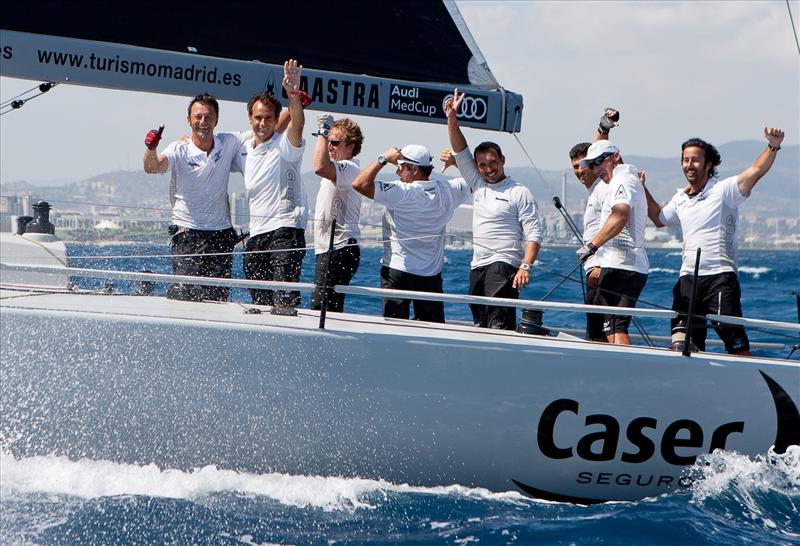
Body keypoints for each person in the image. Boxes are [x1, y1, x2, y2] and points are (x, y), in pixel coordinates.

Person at [641, 128, 785, 355]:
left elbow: (756, 171)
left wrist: (773, 145)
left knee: (736, 345)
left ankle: (751, 384)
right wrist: (642, 188)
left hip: (719, 278)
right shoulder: (680, 198)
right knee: (682, 344)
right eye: (686, 160)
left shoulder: (723, 191)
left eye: (696, 160)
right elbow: (659, 219)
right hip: (688, 279)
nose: (690, 165)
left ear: (708, 165)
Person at [442, 89, 542, 330]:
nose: (488, 169)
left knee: (499, 324)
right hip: (478, 265)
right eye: (483, 165)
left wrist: (525, 266)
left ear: (503, 161)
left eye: (493, 163)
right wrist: (452, 118)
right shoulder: (478, 184)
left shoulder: (518, 191)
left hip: (504, 264)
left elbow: (534, 234)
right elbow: (461, 150)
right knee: (480, 323)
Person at [352, 144, 470, 323]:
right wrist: (456, 163)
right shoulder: (448, 189)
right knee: (433, 334)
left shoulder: (402, 192)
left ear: (414, 169)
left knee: (394, 334)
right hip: (431, 277)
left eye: (400, 167)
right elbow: (477, 178)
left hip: (398, 273)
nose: (397, 173)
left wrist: (383, 158)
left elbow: (359, 183)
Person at [143, 93, 242, 302]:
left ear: (217, 120)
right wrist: (151, 148)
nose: (203, 122)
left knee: (218, 299)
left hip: (221, 235)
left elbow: (266, 130)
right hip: (187, 235)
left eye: (208, 117)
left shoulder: (229, 142)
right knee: (186, 295)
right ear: (189, 120)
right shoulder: (179, 149)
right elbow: (152, 167)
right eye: (198, 117)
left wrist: (293, 99)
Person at [234, 59, 307, 310]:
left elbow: (297, 124)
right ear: (250, 119)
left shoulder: (285, 146)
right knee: (260, 302)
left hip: (284, 231)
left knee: (283, 302)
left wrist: (293, 95)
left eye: (268, 119)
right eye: (257, 118)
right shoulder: (244, 148)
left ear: (276, 120)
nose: (262, 123)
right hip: (256, 236)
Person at [576, 140, 648, 345]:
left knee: (616, 326)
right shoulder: (620, 180)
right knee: (610, 327)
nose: (596, 168)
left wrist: (591, 246)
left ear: (616, 156)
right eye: (592, 164)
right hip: (617, 265)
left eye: (600, 161)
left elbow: (620, 215)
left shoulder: (622, 180)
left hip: (624, 266)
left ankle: (625, 373)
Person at [569, 108, 620, 341]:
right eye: (575, 168)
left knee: (607, 332)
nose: (579, 171)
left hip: (602, 269)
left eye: (582, 165)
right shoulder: (592, 192)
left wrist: (603, 129)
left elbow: (600, 151)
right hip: (592, 270)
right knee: (595, 333)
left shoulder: (604, 184)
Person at [309, 114, 365, 312]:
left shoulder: (348, 168)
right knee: (325, 308)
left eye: (334, 142)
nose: (329, 146)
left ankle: (324, 344)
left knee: (321, 308)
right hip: (330, 248)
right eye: (328, 141)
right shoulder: (338, 170)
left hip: (339, 248)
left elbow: (319, 167)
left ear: (350, 146)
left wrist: (323, 133)